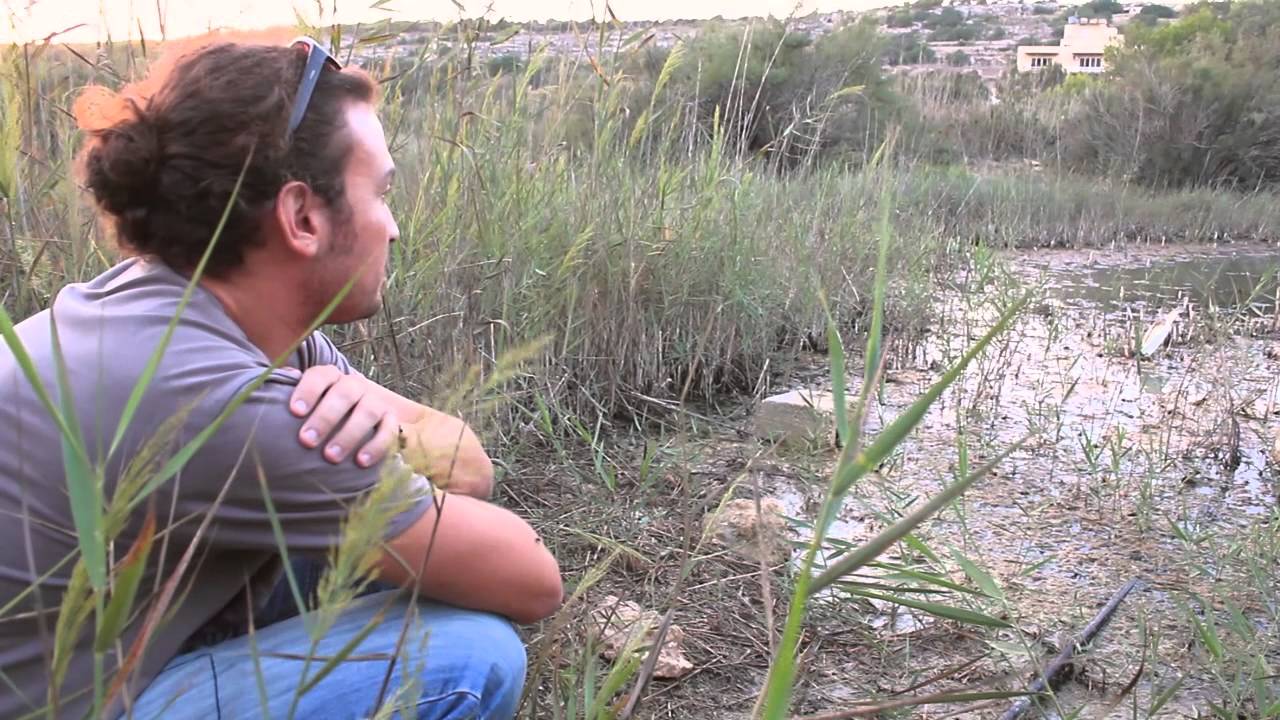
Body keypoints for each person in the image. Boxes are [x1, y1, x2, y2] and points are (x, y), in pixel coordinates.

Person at [0, 31, 563, 720]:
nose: (393, 228)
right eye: (380, 193)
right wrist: (396, 442)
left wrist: (385, 427)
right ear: (301, 217)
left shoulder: (197, 312)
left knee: (345, 552)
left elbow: (469, 465)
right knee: (470, 655)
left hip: (108, 650)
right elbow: (532, 578)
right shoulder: (215, 397)